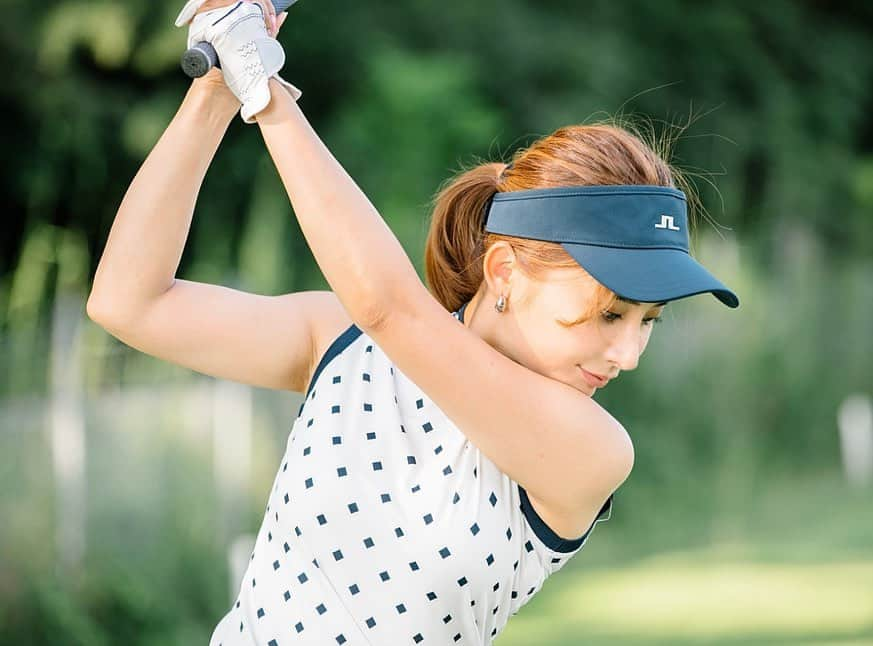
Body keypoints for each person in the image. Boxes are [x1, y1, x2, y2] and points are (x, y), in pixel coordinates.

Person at [86, 1, 740, 644]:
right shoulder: (341, 342)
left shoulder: (591, 450)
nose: (626, 353)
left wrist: (269, 94)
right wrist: (220, 87)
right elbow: (128, 302)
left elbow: (390, 309)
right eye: (608, 313)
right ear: (505, 271)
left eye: (646, 321)